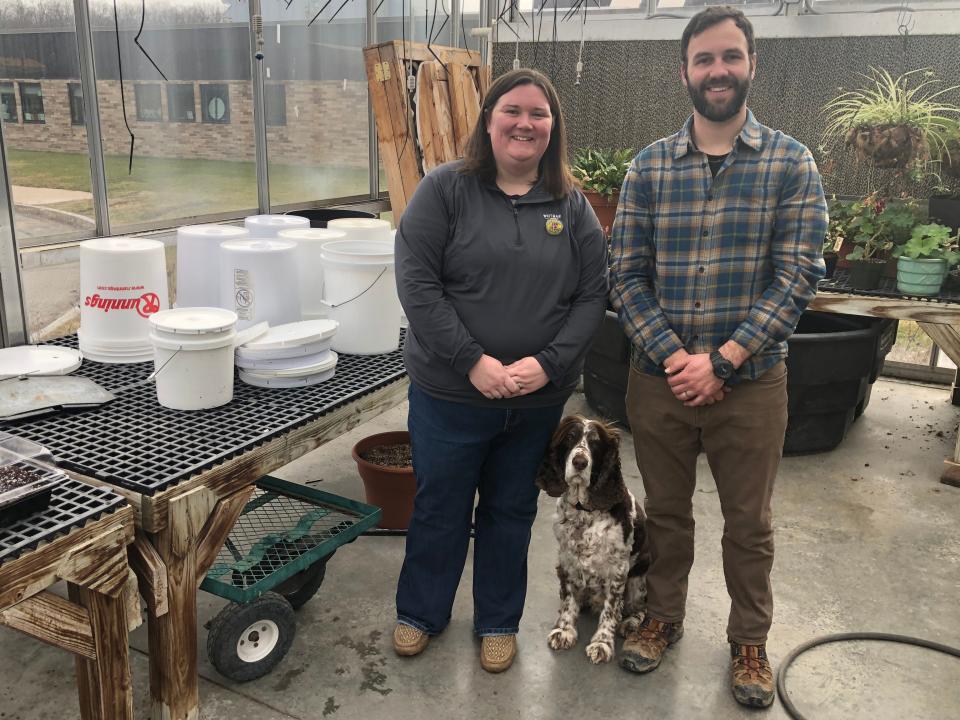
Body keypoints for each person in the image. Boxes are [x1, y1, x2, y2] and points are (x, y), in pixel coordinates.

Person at [609, 6, 827, 708]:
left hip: (753, 385)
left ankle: (750, 640)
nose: (718, 71)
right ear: (684, 72)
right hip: (659, 382)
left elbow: (797, 275)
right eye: (704, 59)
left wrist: (724, 359)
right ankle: (662, 618)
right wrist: (678, 358)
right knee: (666, 514)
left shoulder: (791, 164)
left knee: (750, 523)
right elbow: (626, 275)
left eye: (730, 56)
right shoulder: (648, 168)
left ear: (751, 64)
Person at [392, 68, 608, 673]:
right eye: (512, 110)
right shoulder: (445, 191)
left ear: (553, 128)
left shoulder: (571, 204)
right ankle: (421, 613)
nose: (525, 123)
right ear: (488, 122)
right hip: (450, 396)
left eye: (539, 114)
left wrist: (550, 365)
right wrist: (473, 363)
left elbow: (593, 294)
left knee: (511, 510)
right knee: (440, 506)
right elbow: (417, 283)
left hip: (534, 403)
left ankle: (497, 621)